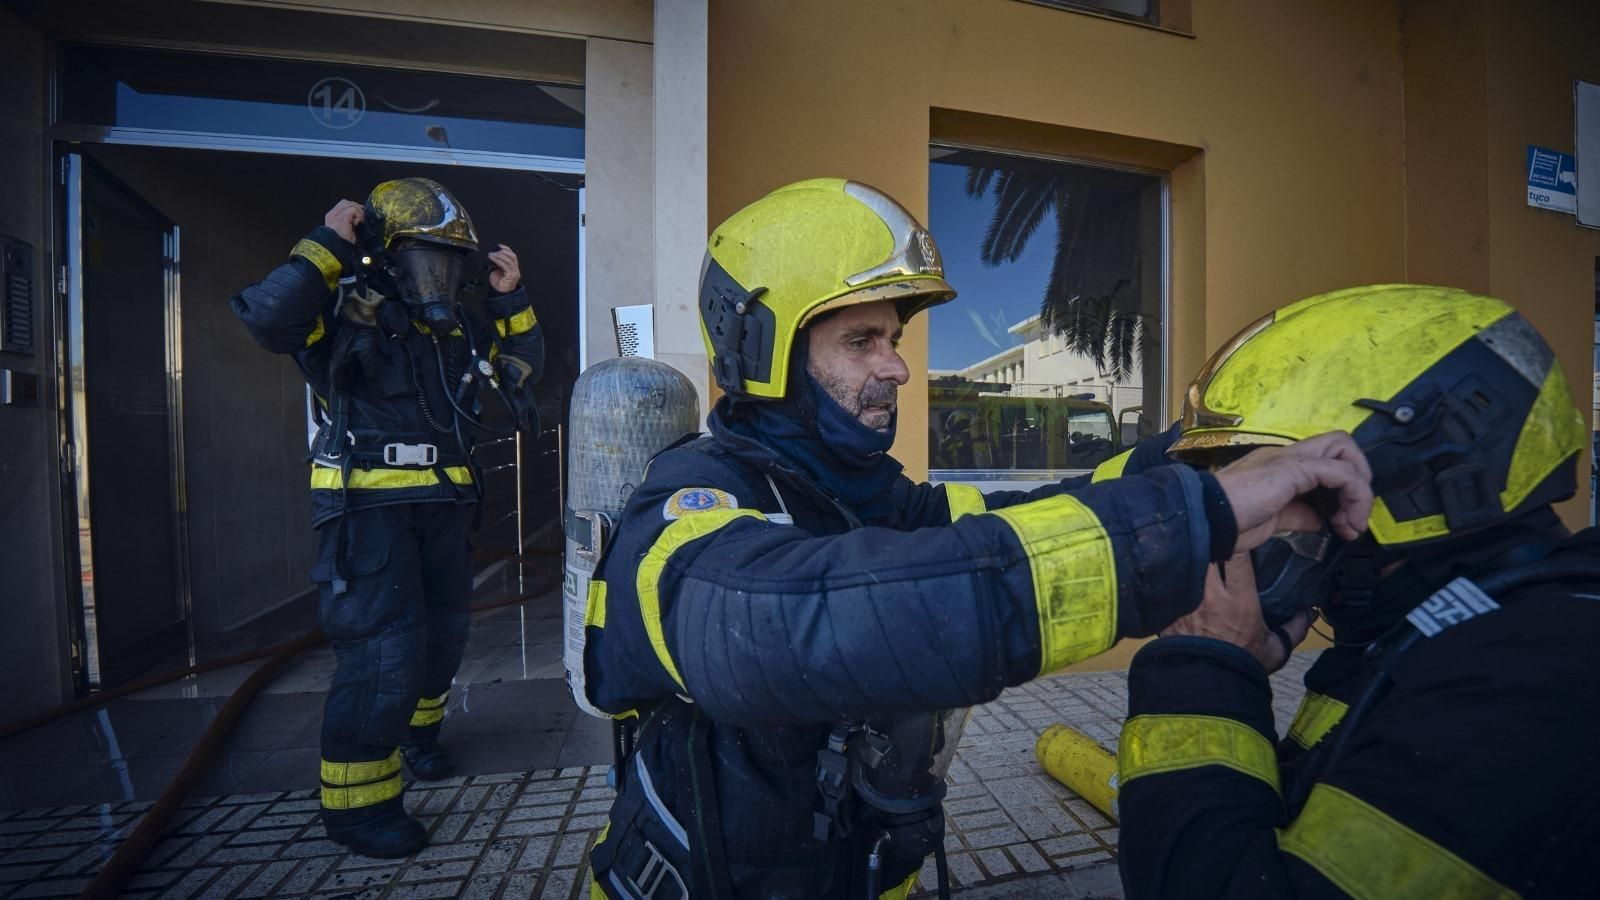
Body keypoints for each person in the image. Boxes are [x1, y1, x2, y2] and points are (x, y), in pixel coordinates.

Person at [578, 178, 1374, 899]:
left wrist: (1193, 459)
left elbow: (1025, 517)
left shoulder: (873, 498)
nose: (897, 369)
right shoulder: (690, 497)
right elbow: (773, 625)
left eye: (894, 340)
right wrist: (1185, 524)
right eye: (861, 341)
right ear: (764, 350)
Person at [1114, 285, 1600, 898]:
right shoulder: (1426, 630)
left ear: (1420, 488)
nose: (1241, 527)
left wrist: (1201, 676)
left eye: (1281, 490)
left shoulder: (1533, 683)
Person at [229, 177, 544, 858]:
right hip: (367, 508)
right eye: (428, 258)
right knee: (383, 653)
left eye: (450, 263)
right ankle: (359, 809)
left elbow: (519, 372)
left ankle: (418, 738)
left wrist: (509, 299)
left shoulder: (456, 332)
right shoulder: (344, 311)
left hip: (445, 504)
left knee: (443, 639)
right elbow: (269, 320)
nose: (440, 276)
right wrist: (326, 246)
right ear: (386, 255)